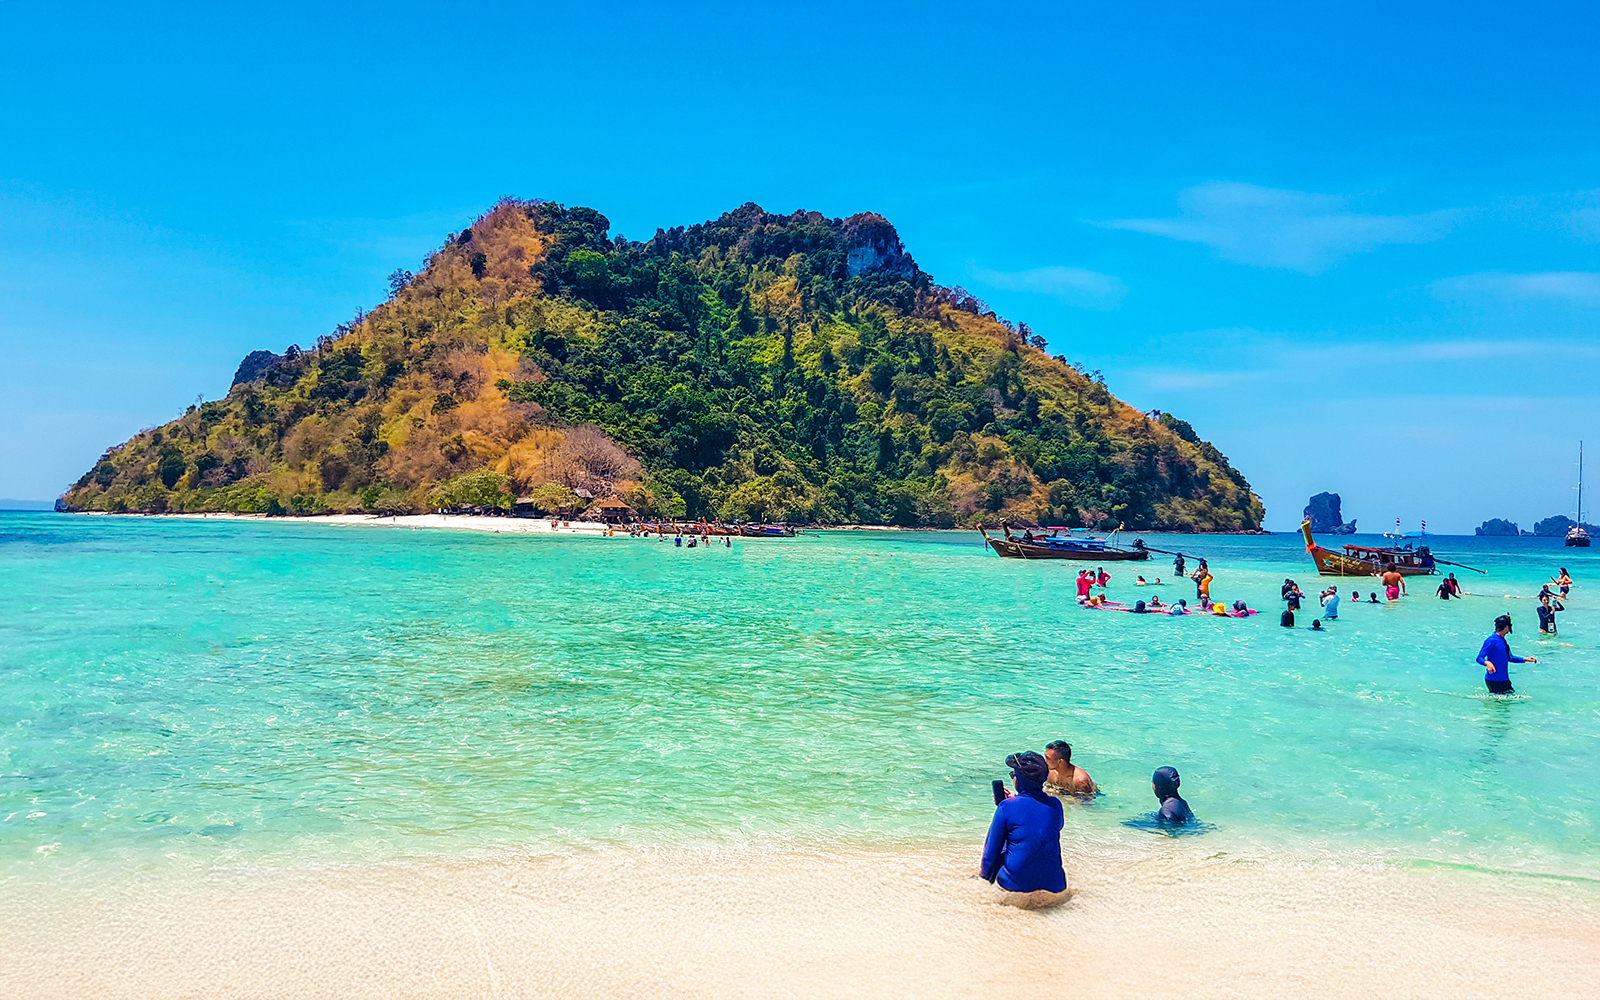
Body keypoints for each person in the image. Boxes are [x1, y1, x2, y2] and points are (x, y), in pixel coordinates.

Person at [981, 752, 1067, 895]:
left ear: (1017, 780)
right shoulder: (1055, 804)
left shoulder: (1006, 807)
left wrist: (982, 879)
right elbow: (1043, 828)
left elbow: (988, 857)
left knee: (1004, 842)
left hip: (1016, 885)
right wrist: (1017, 800)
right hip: (1056, 884)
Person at [1476, 613, 1535, 695]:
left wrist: (1526, 659)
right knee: (1499, 706)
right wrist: (1487, 663)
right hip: (1494, 680)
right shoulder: (1491, 640)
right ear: (1506, 627)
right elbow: (1479, 658)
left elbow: (1509, 657)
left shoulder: (1503, 641)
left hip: (1504, 680)